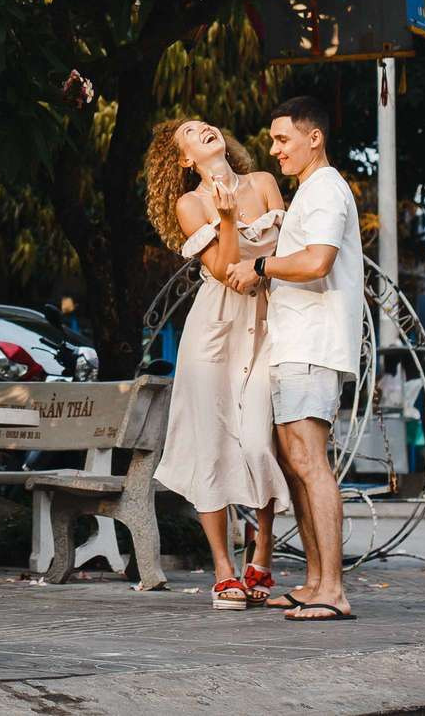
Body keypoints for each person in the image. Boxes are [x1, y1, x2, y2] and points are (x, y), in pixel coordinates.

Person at [144, 118, 291, 610]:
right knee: (210, 442)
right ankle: (225, 569)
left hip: (267, 322)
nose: (204, 129)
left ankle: (263, 551)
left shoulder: (265, 184)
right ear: (185, 159)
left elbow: (287, 252)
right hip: (214, 333)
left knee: (258, 440)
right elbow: (227, 273)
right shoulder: (192, 204)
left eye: (206, 125)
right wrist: (227, 219)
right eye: (191, 132)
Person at [248, 95, 364, 622]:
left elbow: (318, 262)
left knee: (311, 464)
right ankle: (315, 581)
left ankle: (333, 590)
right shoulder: (309, 192)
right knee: (297, 463)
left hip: (313, 345)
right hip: (295, 342)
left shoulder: (325, 189)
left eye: (282, 140)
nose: (275, 151)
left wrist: (264, 266)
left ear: (312, 137)